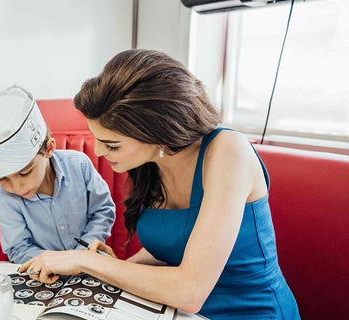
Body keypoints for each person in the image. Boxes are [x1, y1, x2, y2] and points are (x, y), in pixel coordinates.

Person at [19, 49, 300, 319]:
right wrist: (112, 268)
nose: (100, 153)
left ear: (156, 132)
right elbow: (174, 245)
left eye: (112, 145)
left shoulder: (228, 150)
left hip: (249, 312)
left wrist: (87, 261)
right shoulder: (149, 161)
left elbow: (190, 290)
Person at [0, 86, 115, 264]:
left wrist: (84, 252)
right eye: (3, 179)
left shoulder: (79, 165)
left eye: (25, 173)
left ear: (49, 149)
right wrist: (60, 263)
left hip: (91, 263)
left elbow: (103, 210)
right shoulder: (4, 200)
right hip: (40, 277)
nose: (16, 187)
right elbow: (18, 249)